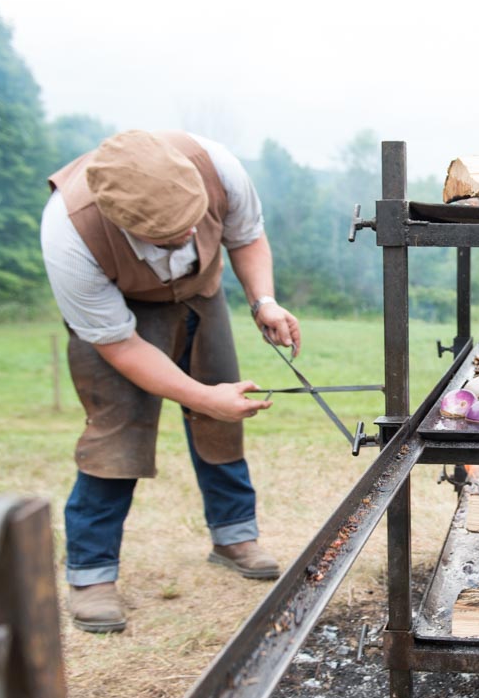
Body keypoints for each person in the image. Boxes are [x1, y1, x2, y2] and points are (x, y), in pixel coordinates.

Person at [42, 129, 300, 633]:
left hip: (201, 295)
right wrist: (201, 395)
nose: (187, 237)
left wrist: (263, 301)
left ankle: (234, 537)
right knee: (115, 435)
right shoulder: (69, 232)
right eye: (168, 235)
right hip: (119, 317)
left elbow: (246, 237)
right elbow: (119, 345)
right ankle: (91, 574)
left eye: (189, 223)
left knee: (223, 421)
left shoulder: (218, 165)